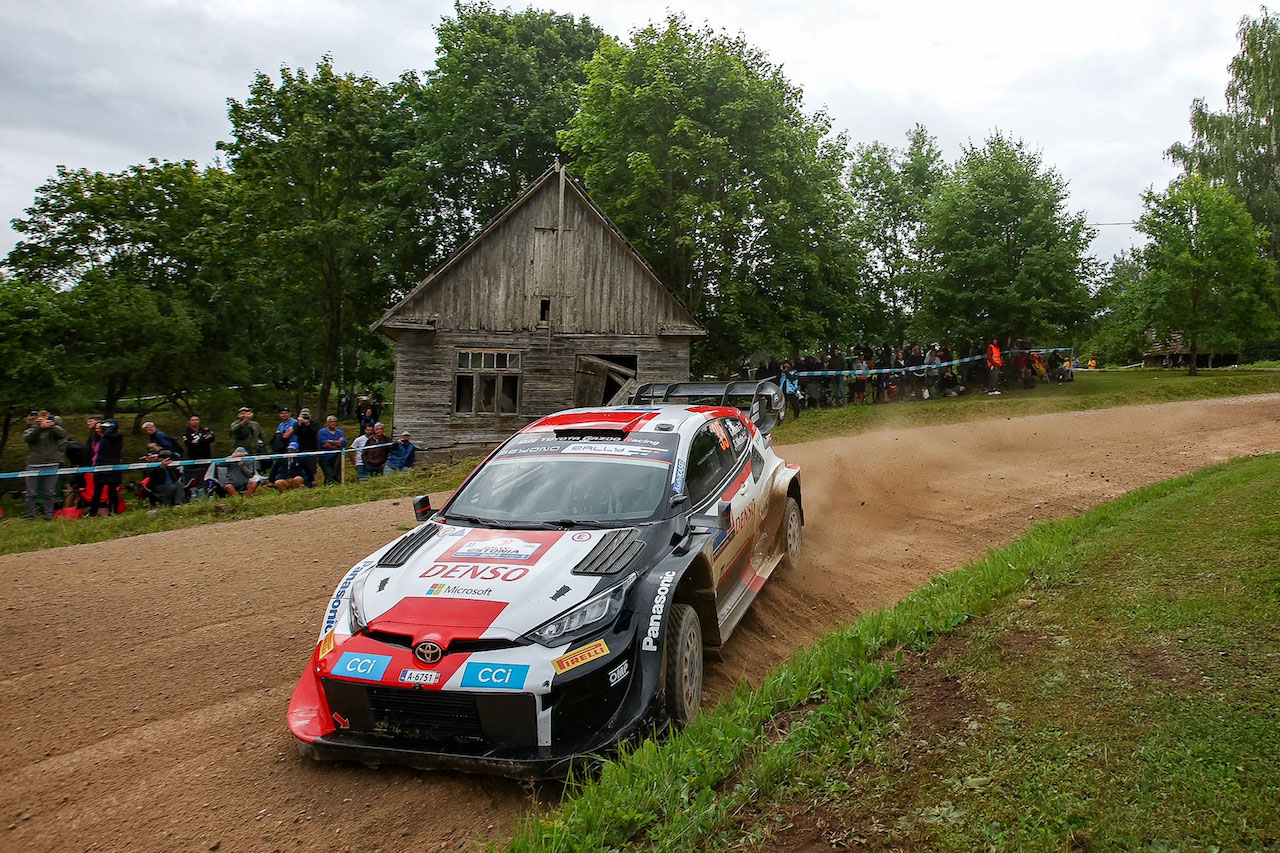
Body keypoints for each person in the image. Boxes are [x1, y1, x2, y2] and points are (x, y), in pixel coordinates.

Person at [23, 410, 68, 520]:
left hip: (51, 463)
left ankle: (48, 515)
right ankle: (29, 515)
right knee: (31, 492)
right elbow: (29, 439)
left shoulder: (54, 430)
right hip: (34, 464)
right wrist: (40, 428)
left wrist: (51, 425)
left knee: (50, 492)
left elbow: (63, 434)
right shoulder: (30, 430)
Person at [88, 419, 124, 516]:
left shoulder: (117, 436)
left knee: (112, 492)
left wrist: (109, 428)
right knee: (97, 492)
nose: (102, 429)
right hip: (101, 467)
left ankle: (114, 512)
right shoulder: (100, 438)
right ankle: (92, 512)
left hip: (113, 468)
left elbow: (109, 434)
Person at [316, 415, 347, 485]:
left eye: (334, 422)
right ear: (327, 423)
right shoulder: (322, 432)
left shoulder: (340, 432)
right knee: (329, 475)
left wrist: (331, 441)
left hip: (336, 457)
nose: (333, 423)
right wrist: (338, 443)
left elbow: (344, 443)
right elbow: (325, 444)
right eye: (331, 422)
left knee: (336, 475)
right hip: (325, 458)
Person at [293, 408, 319, 487]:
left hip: (312, 450)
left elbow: (314, 432)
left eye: (306, 416)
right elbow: (296, 432)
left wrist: (307, 424)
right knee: (302, 468)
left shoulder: (314, 424)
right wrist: (300, 424)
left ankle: (311, 483)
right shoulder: (297, 424)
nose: (305, 417)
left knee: (311, 468)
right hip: (301, 450)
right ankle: (303, 484)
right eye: (303, 415)